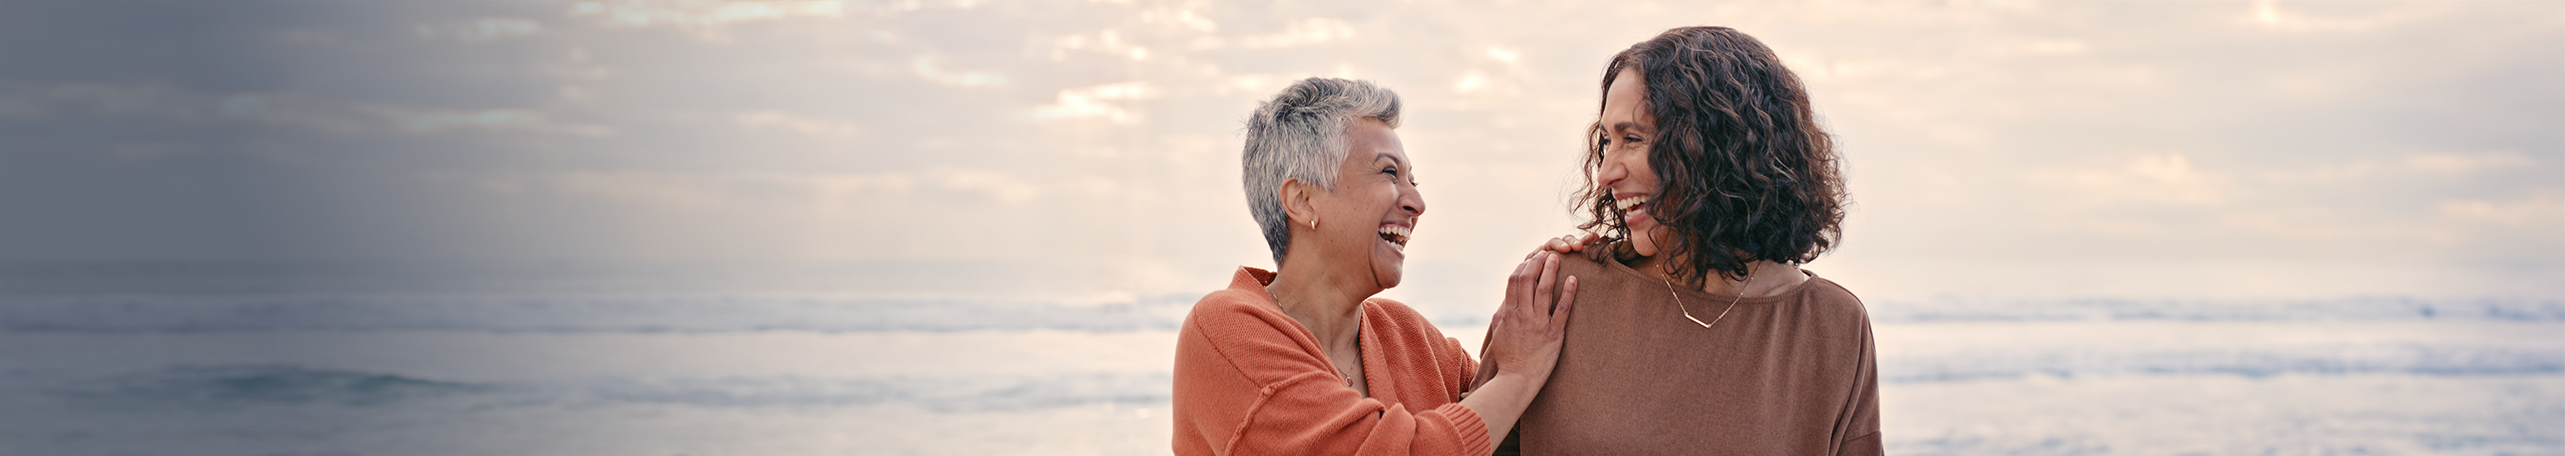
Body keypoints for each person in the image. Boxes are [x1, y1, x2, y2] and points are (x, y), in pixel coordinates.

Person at [1490, 26, 1882, 455]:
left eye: (1632, 139)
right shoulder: (1558, 289)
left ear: (1716, 148)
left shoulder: (1833, 326)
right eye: (1606, 142)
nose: (1605, 173)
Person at [1173, 77, 1581, 456]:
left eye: (1413, 181)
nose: (1416, 204)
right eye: (1389, 172)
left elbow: (1517, 429)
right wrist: (1517, 377)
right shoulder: (1227, 331)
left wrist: (1556, 279)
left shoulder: (1408, 335)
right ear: (1302, 199)